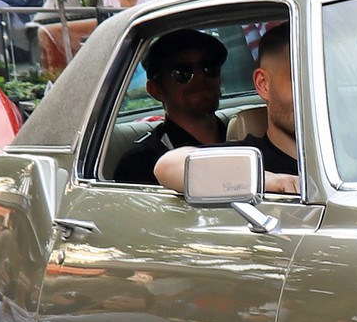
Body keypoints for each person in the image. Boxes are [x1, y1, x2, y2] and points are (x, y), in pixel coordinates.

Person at [155, 22, 302, 195]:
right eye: (300, 79)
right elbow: (168, 166)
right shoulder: (248, 157)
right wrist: (270, 181)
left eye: (209, 68)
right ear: (263, 84)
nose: (200, 79)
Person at [114, 28, 229, 185]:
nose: (200, 78)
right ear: (156, 89)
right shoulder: (141, 163)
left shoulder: (244, 137)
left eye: (209, 67)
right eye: (182, 72)